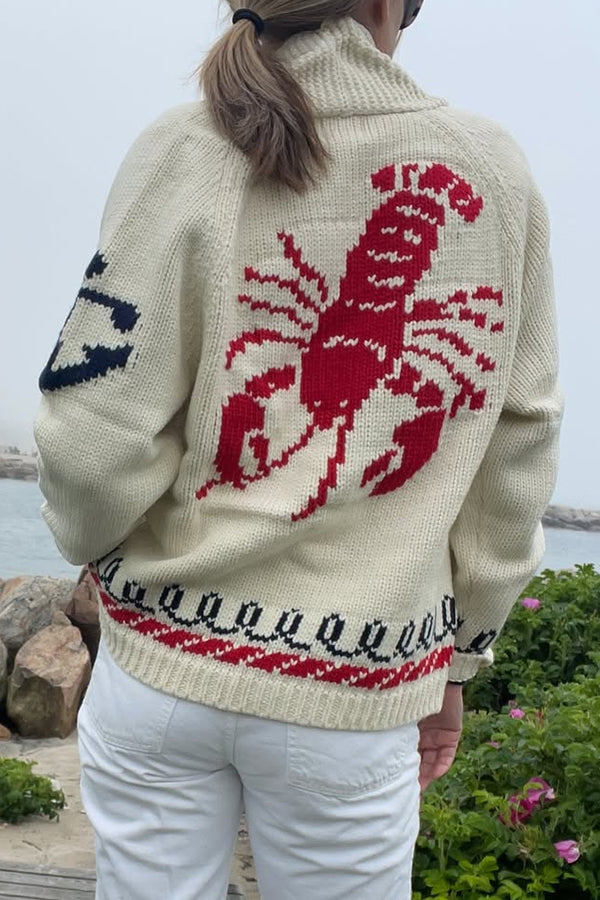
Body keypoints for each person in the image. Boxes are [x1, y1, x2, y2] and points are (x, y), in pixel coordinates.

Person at [33, 0, 563, 897]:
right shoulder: (494, 168)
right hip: (355, 699)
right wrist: (457, 659)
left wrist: (90, 541)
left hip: (160, 671)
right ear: (388, 5)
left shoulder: (181, 146)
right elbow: (518, 441)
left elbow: (96, 421)